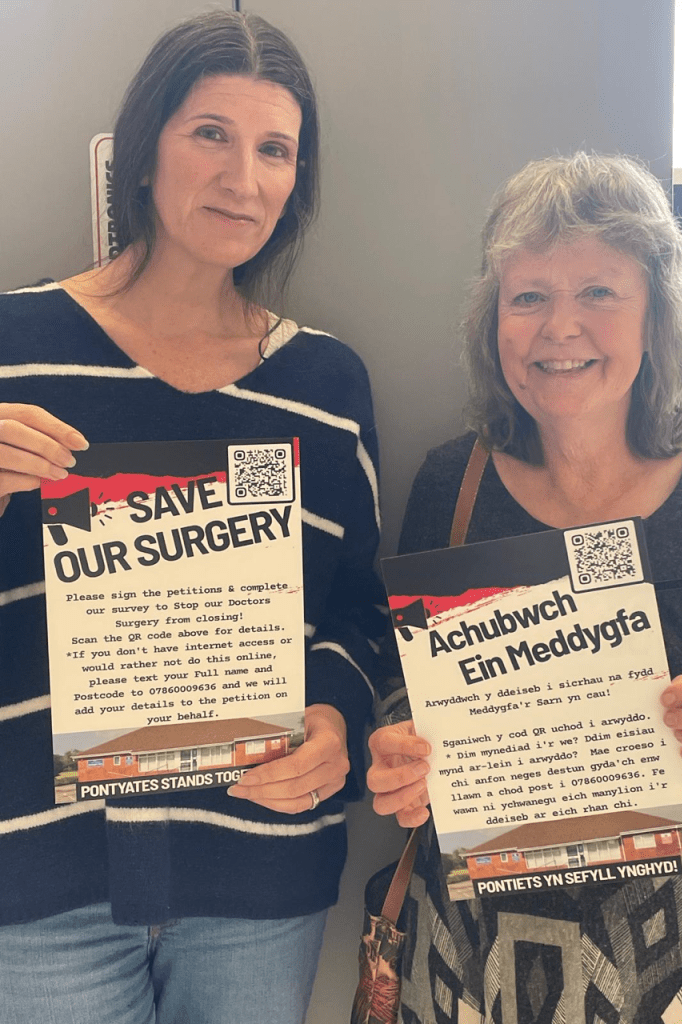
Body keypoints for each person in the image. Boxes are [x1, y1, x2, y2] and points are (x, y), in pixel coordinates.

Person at [0, 11, 383, 1024]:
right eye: (210, 133)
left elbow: (360, 613)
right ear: (144, 148)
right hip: (39, 883)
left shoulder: (326, 383)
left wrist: (339, 721)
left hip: (257, 879)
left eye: (275, 150)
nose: (242, 177)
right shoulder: (11, 343)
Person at [368, 153, 682, 1023]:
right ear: (494, 322)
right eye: (529, 295)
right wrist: (398, 752)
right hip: (489, 967)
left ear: (657, 315)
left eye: (598, 292)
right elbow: (400, 684)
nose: (560, 327)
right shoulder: (451, 486)